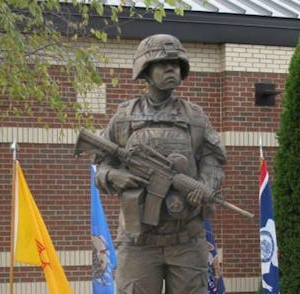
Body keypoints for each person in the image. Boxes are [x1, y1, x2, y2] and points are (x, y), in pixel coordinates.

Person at [95, 34, 227, 294]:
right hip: (138, 242)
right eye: (163, 64)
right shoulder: (124, 118)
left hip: (187, 239)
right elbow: (101, 164)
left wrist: (204, 185)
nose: (171, 69)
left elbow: (215, 158)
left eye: (176, 64)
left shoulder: (195, 117)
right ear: (145, 70)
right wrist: (114, 177)